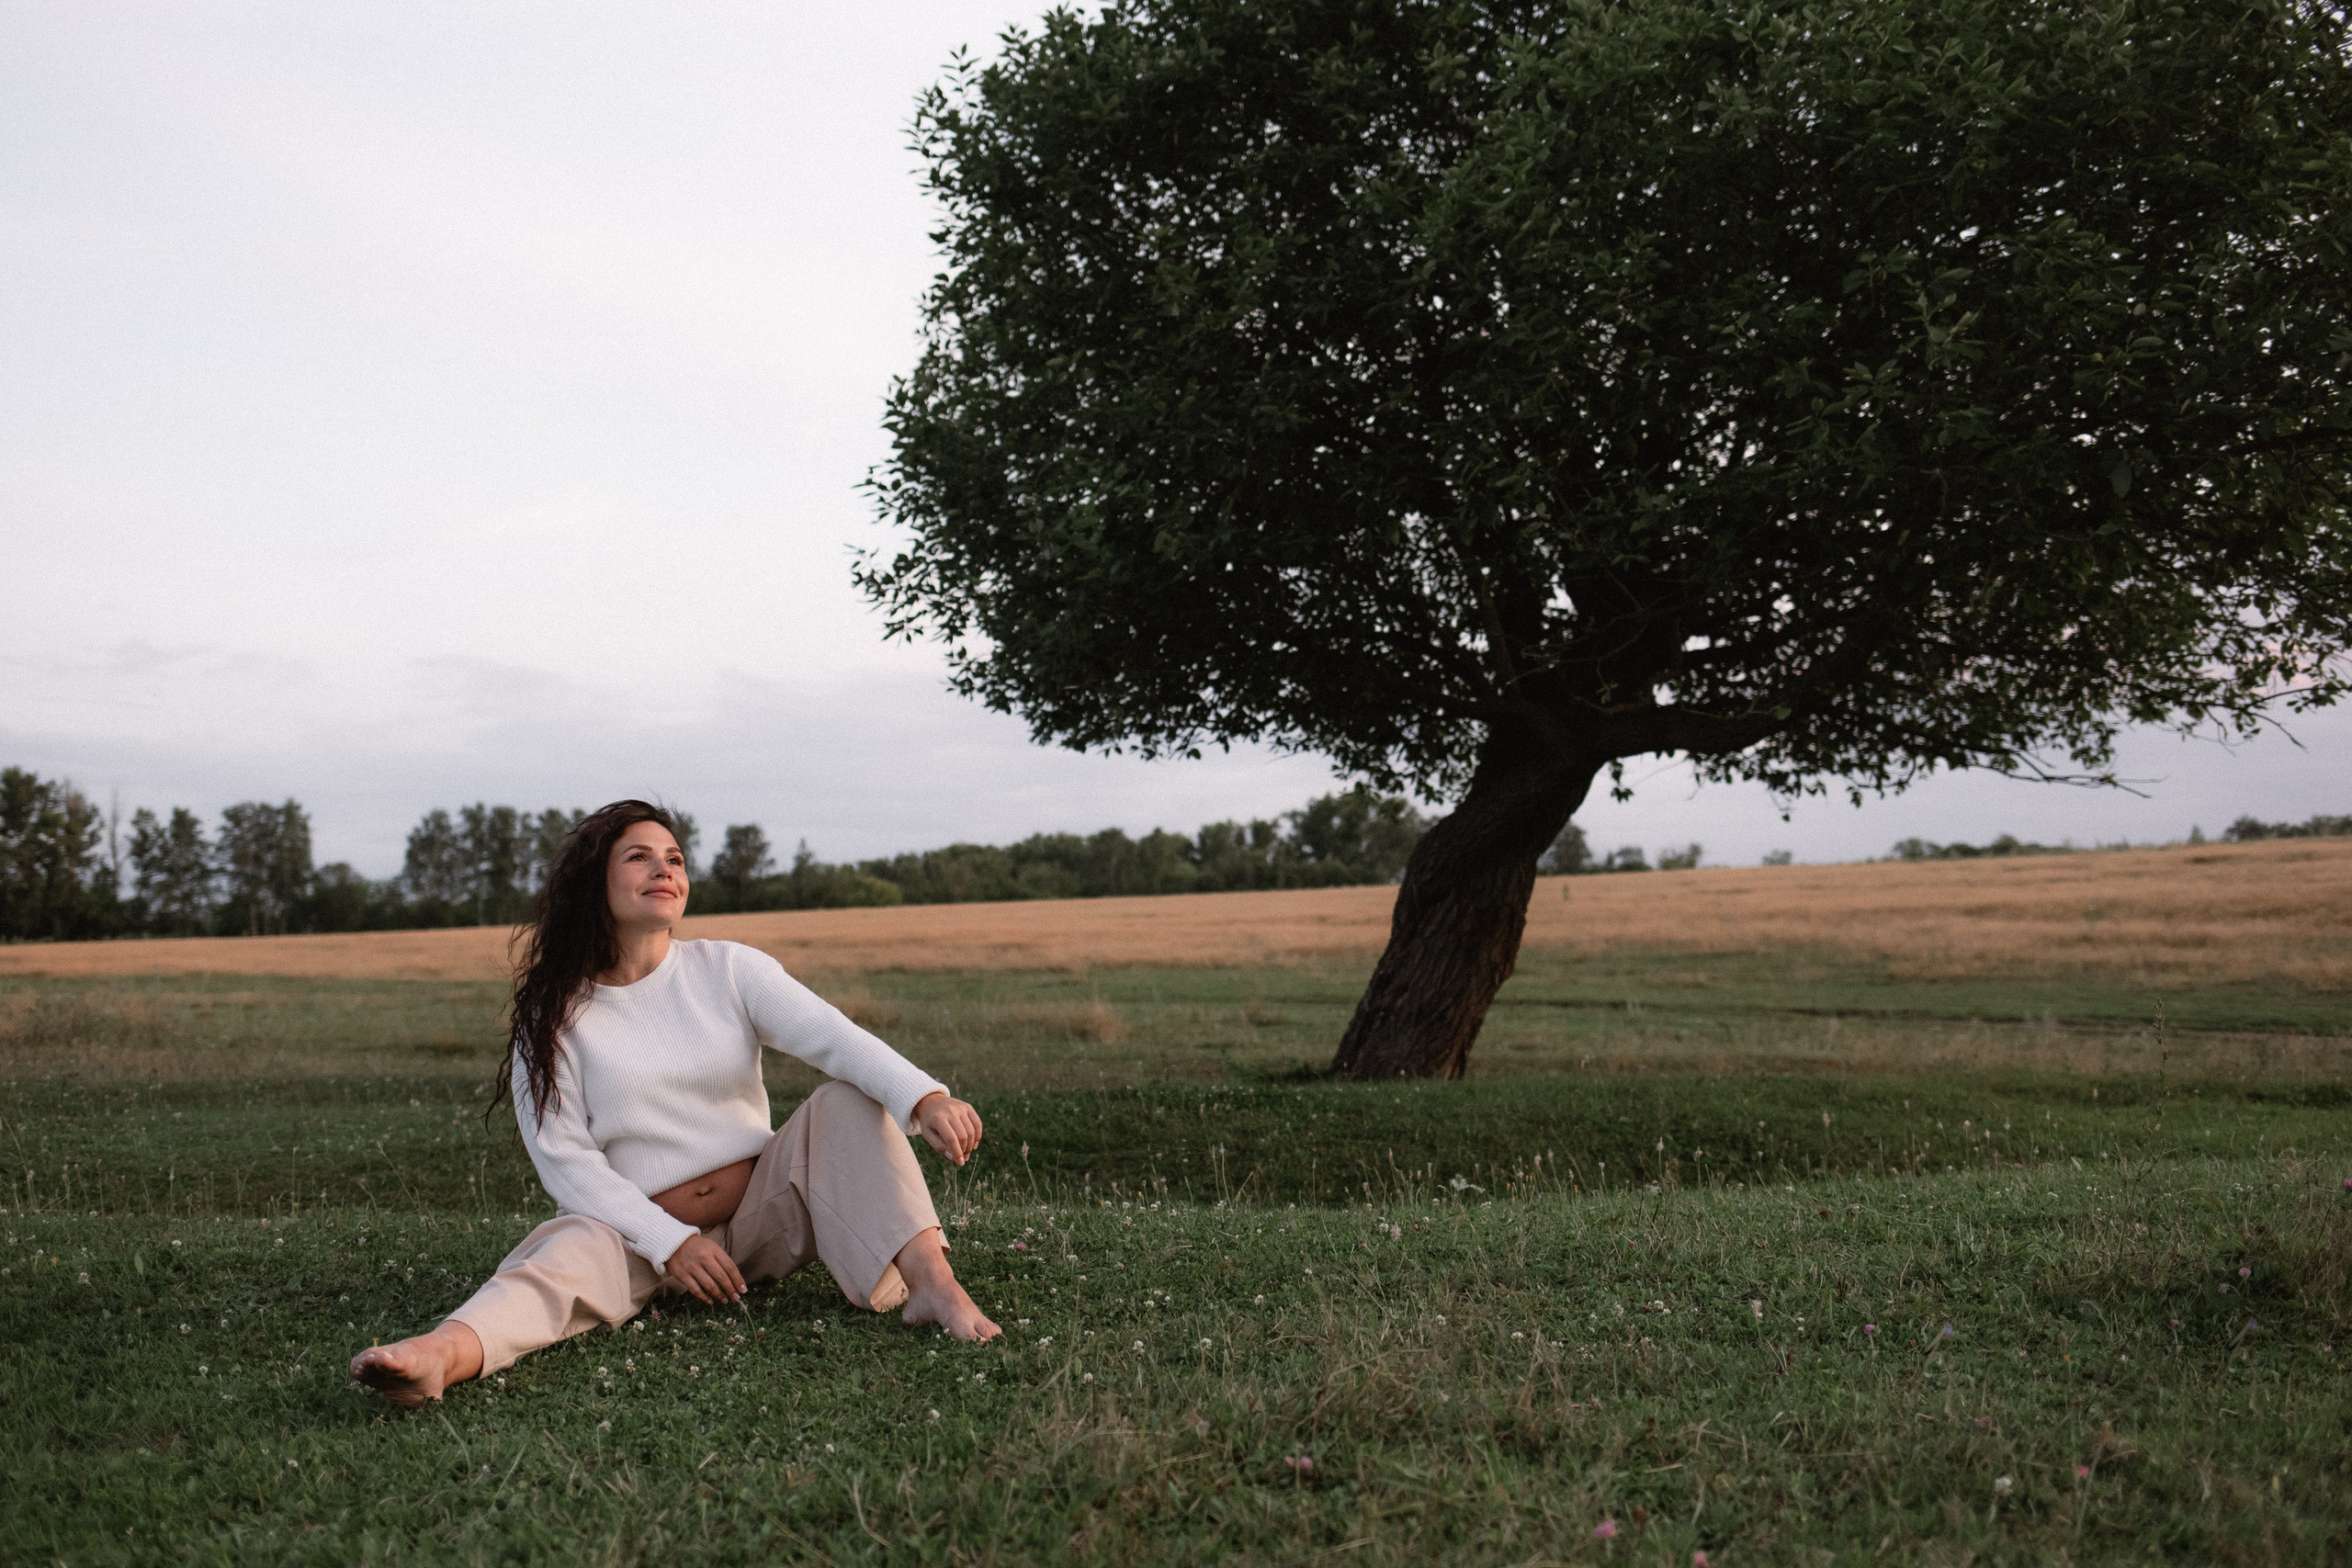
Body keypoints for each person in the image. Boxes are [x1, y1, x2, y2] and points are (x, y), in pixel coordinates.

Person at [350, 799, 998, 1408]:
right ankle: (441, 1354)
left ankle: (934, 1289)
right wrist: (670, 1242)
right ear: (594, 884)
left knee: (848, 1103)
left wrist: (926, 1095)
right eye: (638, 856)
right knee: (558, 1255)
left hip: (762, 1216)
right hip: (632, 1237)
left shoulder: (729, 969)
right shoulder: (550, 1019)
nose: (665, 867)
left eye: (676, 857)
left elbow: (834, 1037)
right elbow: (567, 1163)